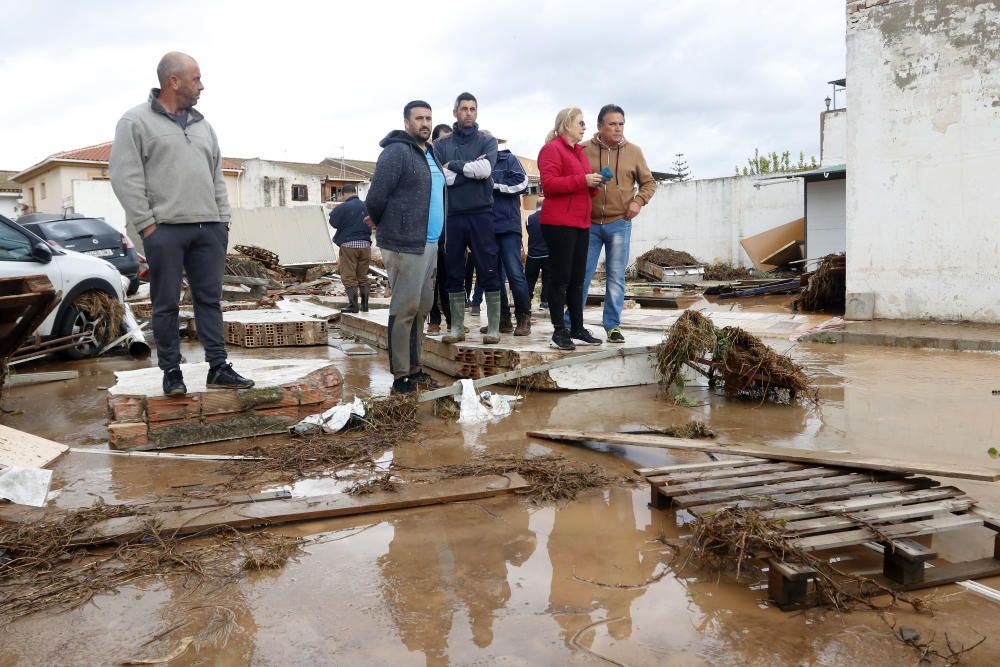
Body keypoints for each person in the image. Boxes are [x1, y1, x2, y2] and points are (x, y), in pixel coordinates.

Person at [110, 51, 253, 396]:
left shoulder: (204, 127)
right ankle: (171, 372)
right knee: (166, 304)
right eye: (196, 78)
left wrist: (223, 222)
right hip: (165, 230)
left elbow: (216, 176)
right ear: (173, 81)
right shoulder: (135, 122)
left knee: (209, 300)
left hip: (209, 230)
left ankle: (218, 367)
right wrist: (147, 226)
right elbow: (124, 176)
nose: (201, 86)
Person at [364, 100, 445, 394]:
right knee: (405, 308)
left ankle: (416, 368)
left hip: (430, 242)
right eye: (419, 118)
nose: (425, 123)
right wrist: (387, 223)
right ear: (406, 122)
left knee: (422, 308)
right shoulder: (396, 152)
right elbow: (376, 197)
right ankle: (401, 376)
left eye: (429, 118)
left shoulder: (430, 152)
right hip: (405, 243)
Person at [575, 104, 656, 343]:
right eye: (612, 124)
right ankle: (572, 323)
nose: (617, 128)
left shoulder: (634, 151)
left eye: (621, 124)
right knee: (581, 276)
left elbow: (649, 183)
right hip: (587, 224)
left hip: (619, 223)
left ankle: (612, 326)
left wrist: (638, 202)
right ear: (600, 126)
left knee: (615, 277)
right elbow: (573, 179)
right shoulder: (582, 150)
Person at [433, 92, 501, 344]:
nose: (469, 113)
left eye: (473, 108)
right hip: (452, 215)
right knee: (453, 269)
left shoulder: (488, 140)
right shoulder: (441, 145)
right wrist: (470, 169)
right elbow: (442, 178)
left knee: (488, 267)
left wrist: (456, 166)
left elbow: (485, 171)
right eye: (464, 108)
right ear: (455, 112)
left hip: (481, 213)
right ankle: (457, 327)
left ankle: (492, 327)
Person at [537, 107, 603, 351]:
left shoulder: (579, 153)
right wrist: (583, 180)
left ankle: (577, 327)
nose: (584, 127)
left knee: (577, 279)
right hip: (559, 223)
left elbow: (582, 187)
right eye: (580, 123)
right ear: (566, 125)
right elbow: (549, 184)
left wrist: (594, 183)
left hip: (580, 222)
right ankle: (558, 330)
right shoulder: (551, 150)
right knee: (560, 278)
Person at [481, 142, 531, 336]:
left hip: (508, 227)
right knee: (492, 276)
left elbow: (522, 183)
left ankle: (523, 318)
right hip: (485, 228)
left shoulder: (508, 159)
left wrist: (495, 185)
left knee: (515, 273)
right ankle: (502, 320)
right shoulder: (476, 164)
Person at [426, 123, 453, 335]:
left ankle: (453, 321)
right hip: (430, 233)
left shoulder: (455, 166)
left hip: (452, 231)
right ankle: (433, 319)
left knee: (450, 278)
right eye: (443, 141)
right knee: (431, 281)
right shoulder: (427, 165)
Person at [329, 184, 370, 313]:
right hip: (365, 245)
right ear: (355, 192)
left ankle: (353, 306)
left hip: (348, 245)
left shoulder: (343, 207)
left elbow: (333, 223)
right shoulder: (366, 206)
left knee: (349, 276)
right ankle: (365, 305)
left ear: (344, 194)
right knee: (362, 276)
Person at [524, 199, 550, 311]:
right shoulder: (549, 217)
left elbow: (529, 231)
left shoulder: (529, 219)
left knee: (529, 280)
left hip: (533, 255)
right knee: (547, 280)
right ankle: (544, 302)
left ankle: (526, 302)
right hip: (547, 254)